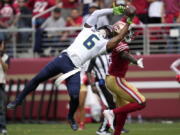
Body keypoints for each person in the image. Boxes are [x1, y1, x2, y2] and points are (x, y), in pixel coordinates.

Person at [7, 5, 135, 131]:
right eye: (105, 29)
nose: (105, 31)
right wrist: (115, 10)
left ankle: (71, 118)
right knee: (38, 78)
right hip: (63, 58)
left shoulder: (104, 44)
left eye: (108, 32)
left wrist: (128, 22)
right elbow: (96, 14)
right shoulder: (89, 29)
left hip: (74, 68)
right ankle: (19, 100)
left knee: (74, 96)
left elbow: (117, 38)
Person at [103, 20, 146, 135]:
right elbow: (124, 54)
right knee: (141, 102)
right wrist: (136, 61)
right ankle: (111, 113)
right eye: (128, 31)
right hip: (116, 79)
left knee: (124, 109)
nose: (130, 34)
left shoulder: (115, 42)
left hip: (113, 79)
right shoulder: (120, 44)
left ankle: (116, 133)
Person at [87, 54, 129, 135]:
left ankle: (117, 127)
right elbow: (88, 71)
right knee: (111, 106)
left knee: (117, 105)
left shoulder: (111, 55)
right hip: (101, 83)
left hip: (111, 83)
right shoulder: (95, 57)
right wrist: (92, 85)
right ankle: (102, 129)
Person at [0, 40, 10, 135]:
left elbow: (6, 69)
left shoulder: (6, 57)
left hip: (1, 84)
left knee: (1, 107)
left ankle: (2, 128)